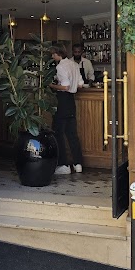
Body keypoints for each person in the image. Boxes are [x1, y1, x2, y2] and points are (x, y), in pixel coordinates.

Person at [50, 46, 83, 175]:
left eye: (53, 54)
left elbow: (65, 86)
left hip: (62, 100)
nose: (52, 57)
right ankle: (78, 163)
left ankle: (63, 165)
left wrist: (52, 85)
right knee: (72, 134)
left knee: (58, 132)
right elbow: (80, 84)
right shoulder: (74, 64)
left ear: (58, 54)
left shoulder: (60, 67)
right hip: (71, 101)